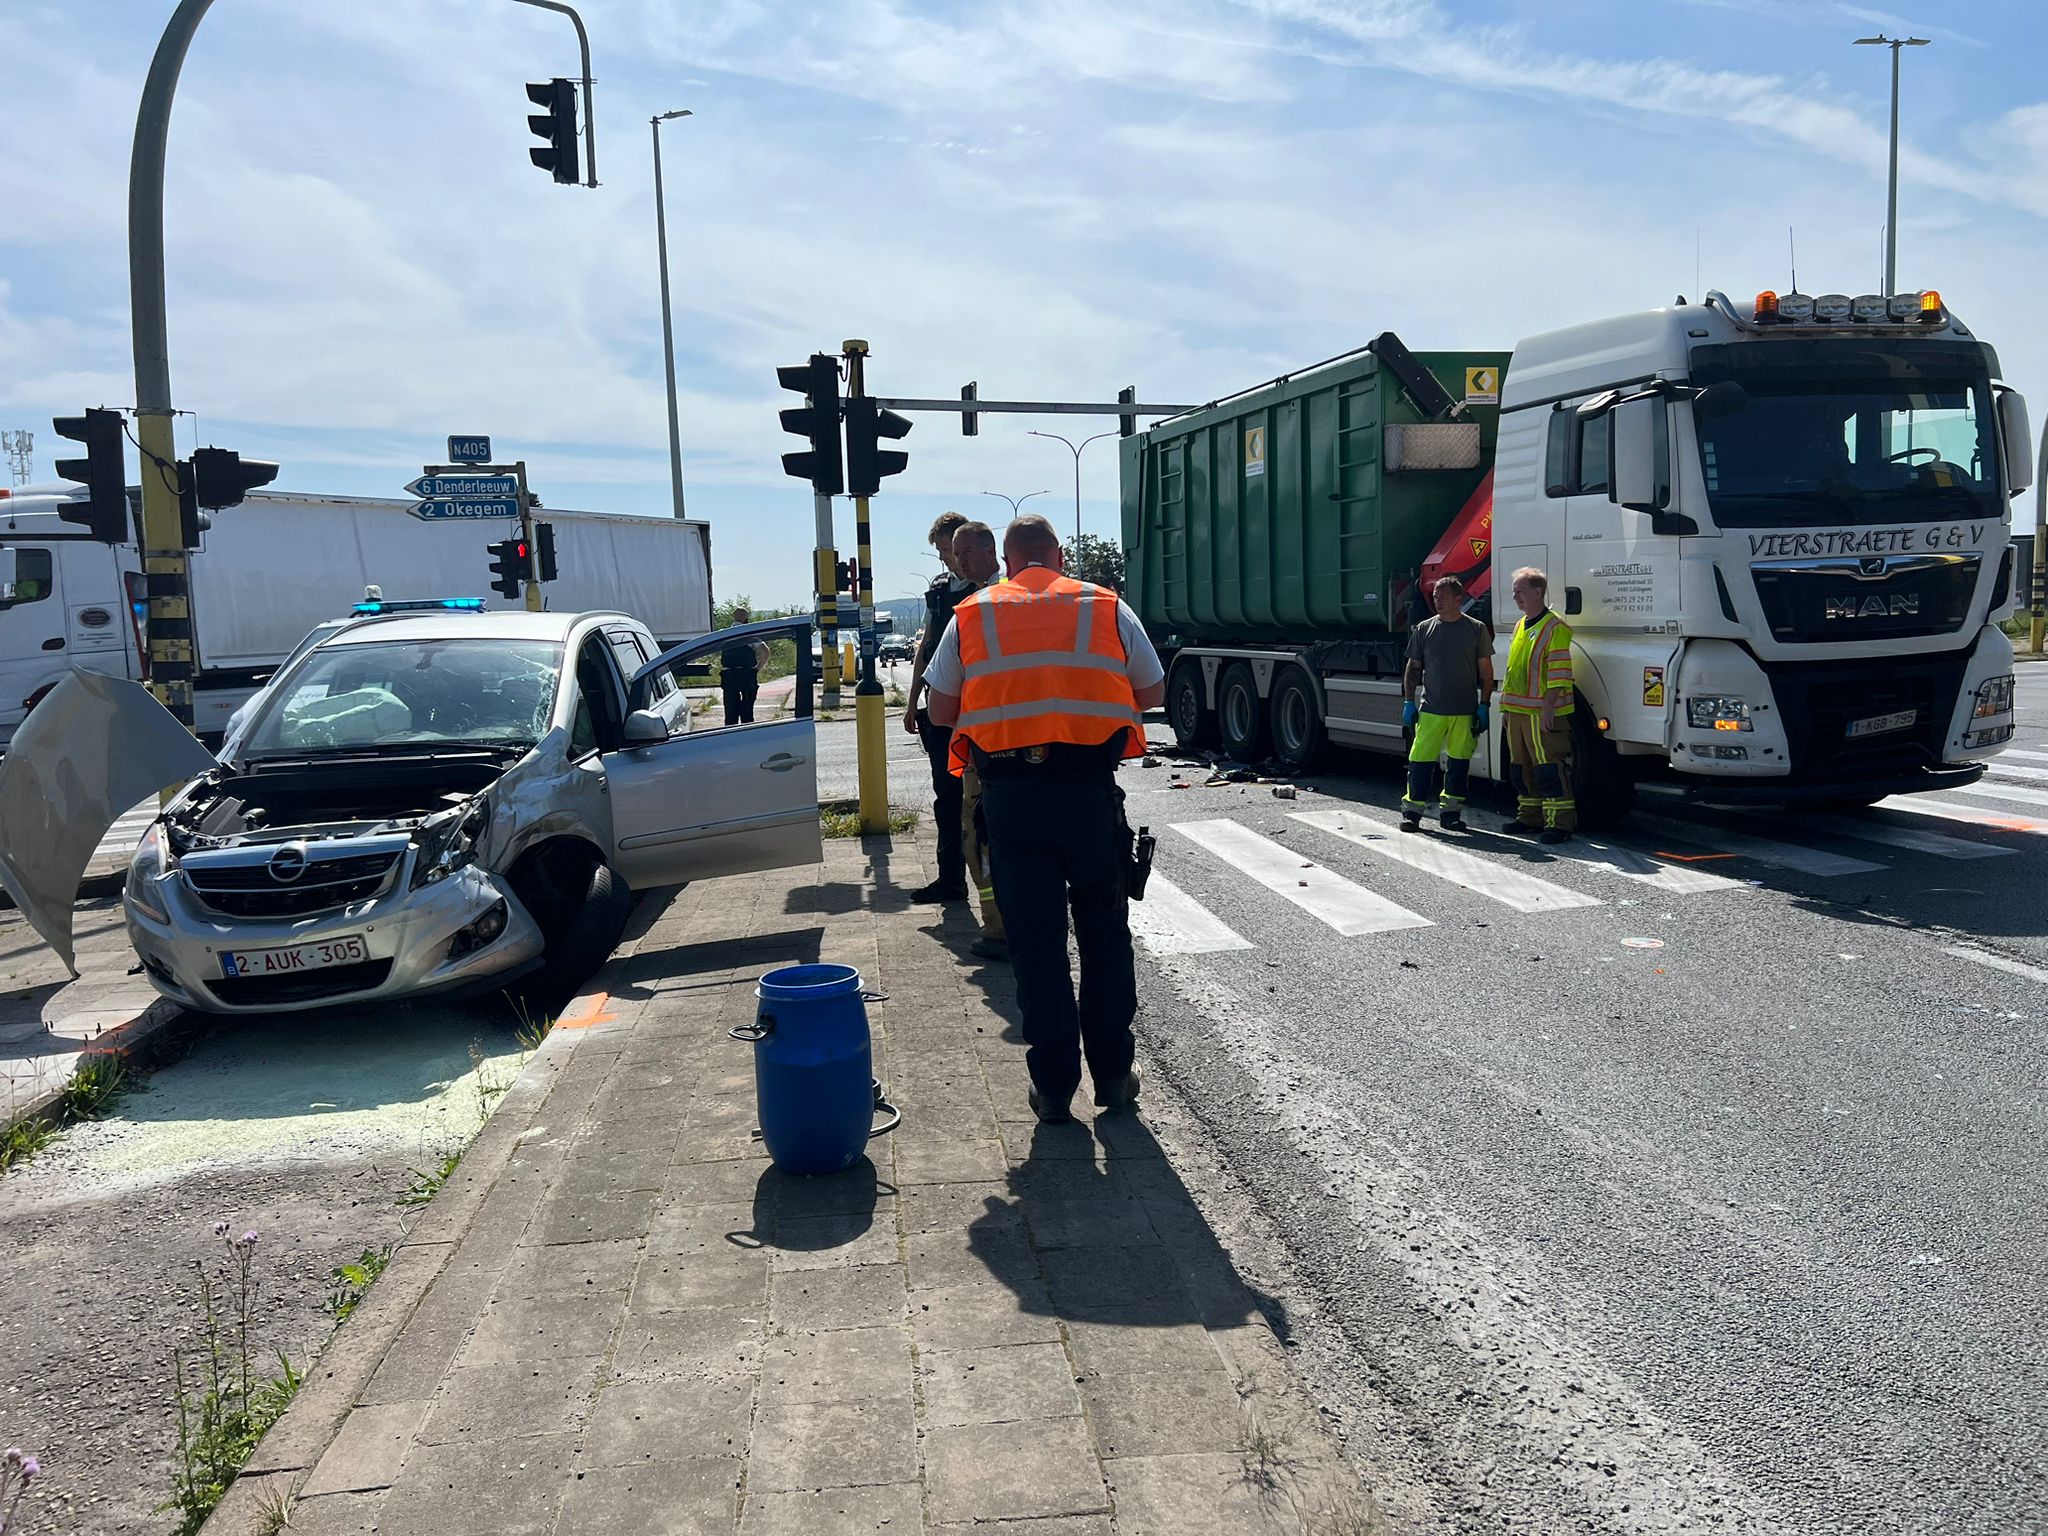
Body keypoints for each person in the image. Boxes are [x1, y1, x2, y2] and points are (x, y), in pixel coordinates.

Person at [924, 514, 1166, 1125]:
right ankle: (1113, 1075)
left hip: (1011, 798)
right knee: (1105, 935)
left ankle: (1054, 1088)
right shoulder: (1104, 606)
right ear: (1058, 555)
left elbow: (943, 708)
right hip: (1088, 793)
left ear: (1007, 561)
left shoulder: (972, 616)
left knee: (1037, 943)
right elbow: (1153, 690)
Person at [903, 513, 975, 903]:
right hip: (941, 710)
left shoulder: (988, 589)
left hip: (980, 712)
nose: (947, 560)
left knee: (982, 803)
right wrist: (914, 701)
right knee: (946, 798)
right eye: (942, 553)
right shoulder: (939, 590)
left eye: (950, 550)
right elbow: (925, 648)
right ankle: (951, 881)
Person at [948, 521, 1007, 959]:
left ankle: (998, 931)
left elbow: (943, 703)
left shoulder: (978, 607)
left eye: (965, 552)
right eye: (954, 553)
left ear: (991, 551)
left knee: (981, 843)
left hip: (988, 750)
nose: (958, 560)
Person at [1399, 574, 1493, 832]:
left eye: (1442, 597)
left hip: (1464, 711)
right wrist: (1408, 701)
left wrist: (1484, 705)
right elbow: (1413, 668)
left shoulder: (1476, 629)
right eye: (1435, 597)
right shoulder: (1425, 629)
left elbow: (1486, 671)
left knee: (1458, 764)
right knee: (1420, 762)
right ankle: (1412, 813)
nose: (1437, 601)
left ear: (1457, 599)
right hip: (1431, 709)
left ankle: (1450, 814)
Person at [1499, 566, 1576, 844]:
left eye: (1520, 592)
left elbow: (1559, 672)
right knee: (1520, 769)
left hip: (1541, 712)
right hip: (1518, 711)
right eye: (1514, 592)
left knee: (1548, 768)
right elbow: (1513, 671)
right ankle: (1529, 818)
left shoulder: (1555, 626)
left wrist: (1548, 708)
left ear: (1538, 592)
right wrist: (1506, 708)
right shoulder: (1521, 624)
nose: (1515, 597)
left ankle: (1560, 824)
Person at [719, 606, 767, 726]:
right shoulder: (749, 635)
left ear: (733, 616)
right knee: (747, 712)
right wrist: (758, 667)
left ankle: (731, 737)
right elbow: (765, 651)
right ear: (746, 618)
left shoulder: (723, 634)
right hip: (747, 675)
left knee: (730, 713)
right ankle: (747, 736)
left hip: (729, 675)